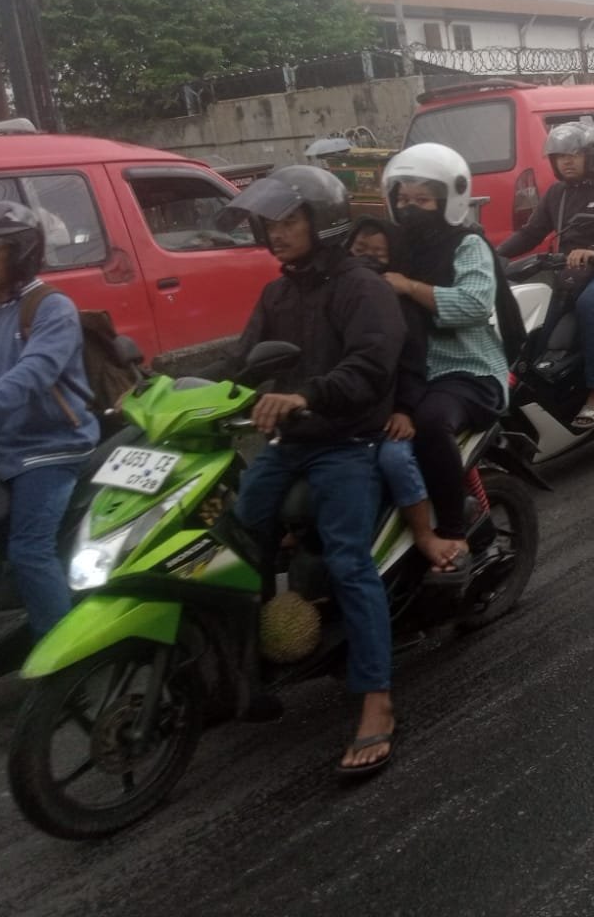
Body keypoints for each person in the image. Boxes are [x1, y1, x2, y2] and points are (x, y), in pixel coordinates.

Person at [212, 166, 403, 777]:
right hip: (288, 442)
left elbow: (372, 364)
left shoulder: (360, 286)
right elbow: (241, 363)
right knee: (236, 542)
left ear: (323, 223)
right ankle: (247, 674)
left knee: (350, 561)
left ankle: (376, 700)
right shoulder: (278, 292)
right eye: (269, 224)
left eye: (288, 222)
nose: (276, 234)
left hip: (347, 441)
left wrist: (306, 396)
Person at [378, 144, 510, 581]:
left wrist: (408, 287)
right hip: (408, 373)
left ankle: (453, 530)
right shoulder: (392, 247)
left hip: (467, 370)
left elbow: (473, 303)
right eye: (403, 199)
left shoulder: (466, 244)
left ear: (446, 200)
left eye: (422, 200)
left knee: (431, 423)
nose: (410, 208)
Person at [0, 202, 99, 639]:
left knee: (29, 550)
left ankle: (65, 667)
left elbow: (34, 374)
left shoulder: (51, 307)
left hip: (48, 449)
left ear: (20, 252)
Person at [497, 124, 594, 430]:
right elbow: (531, 232)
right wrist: (494, 255)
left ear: (591, 156)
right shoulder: (557, 194)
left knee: (590, 306)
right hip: (569, 278)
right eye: (559, 157)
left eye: (573, 155)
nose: (566, 162)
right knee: (537, 333)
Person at [347, 219, 438, 580]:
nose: (368, 260)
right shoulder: (339, 296)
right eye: (360, 252)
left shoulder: (400, 305)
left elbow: (412, 363)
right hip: (351, 411)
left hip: (390, 410)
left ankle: (424, 534)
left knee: (394, 457)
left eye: (378, 254)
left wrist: (403, 409)